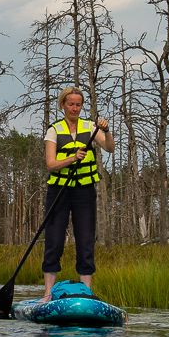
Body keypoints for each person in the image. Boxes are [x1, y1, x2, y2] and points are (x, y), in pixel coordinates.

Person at [42, 86, 114, 299]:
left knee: (85, 241)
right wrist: (72, 158)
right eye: (70, 104)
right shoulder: (54, 130)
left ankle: (87, 292)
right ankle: (48, 293)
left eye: (78, 104)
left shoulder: (91, 127)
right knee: (54, 241)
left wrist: (106, 130)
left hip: (84, 191)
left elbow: (110, 148)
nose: (74, 108)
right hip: (59, 191)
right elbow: (51, 164)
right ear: (63, 105)